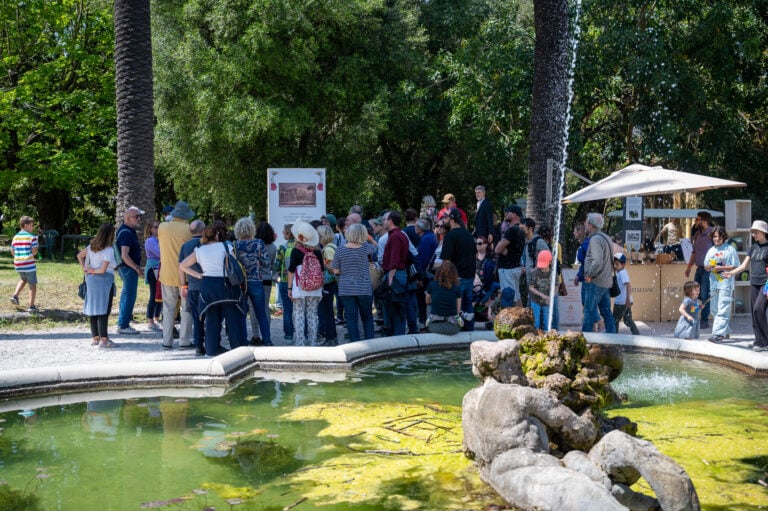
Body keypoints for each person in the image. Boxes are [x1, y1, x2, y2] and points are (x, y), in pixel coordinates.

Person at [179, 221, 246, 356]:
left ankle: (211, 349)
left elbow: (183, 266)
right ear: (216, 235)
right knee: (232, 317)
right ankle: (237, 349)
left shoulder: (200, 250)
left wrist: (199, 275)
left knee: (211, 318)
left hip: (208, 284)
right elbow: (235, 263)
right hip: (227, 284)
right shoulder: (226, 246)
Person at [723, 220, 768, 351]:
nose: (753, 234)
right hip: (753, 283)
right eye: (753, 232)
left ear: (764, 232)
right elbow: (743, 266)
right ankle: (758, 340)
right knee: (754, 314)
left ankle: (764, 342)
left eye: (756, 232)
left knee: (758, 309)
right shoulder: (753, 247)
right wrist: (731, 273)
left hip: (766, 284)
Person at [329, 223, 377, 341]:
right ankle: (371, 342)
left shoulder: (340, 250)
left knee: (351, 318)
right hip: (364, 287)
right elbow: (376, 247)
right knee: (367, 317)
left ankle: (354, 343)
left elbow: (336, 270)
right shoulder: (366, 248)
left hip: (346, 288)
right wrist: (370, 239)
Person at [158, 201, 194, 349]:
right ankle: (184, 340)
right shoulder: (188, 230)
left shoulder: (162, 227)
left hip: (166, 273)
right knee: (186, 308)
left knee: (168, 308)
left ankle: (167, 340)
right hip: (185, 274)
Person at [77, 223, 118, 348]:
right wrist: (92, 271)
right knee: (104, 310)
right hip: (104, 281)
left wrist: (85, 269)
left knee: (93, 308)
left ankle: (95, 337)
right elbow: (103, 269)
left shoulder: (91, 247)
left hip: (91, 281)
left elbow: (79, 255)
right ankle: (104, 339)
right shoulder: (109, 250)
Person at [234, 217, 272, 347]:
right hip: (256, 280)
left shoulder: (235, 244)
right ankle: (267, 340)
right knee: (261, 313)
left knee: (242, 314)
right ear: (251, 229)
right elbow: (266, 263)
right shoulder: (259, 243)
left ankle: (243, 341)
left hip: (241, 283)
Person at [287, 221, 324, 346]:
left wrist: (289, 288)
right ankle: (313, 342)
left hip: (299, 288)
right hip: (315, 288)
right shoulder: (318, 252)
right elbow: (322, 271)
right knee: (313, 315)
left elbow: (291, 271)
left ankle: (300, 344)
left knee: (298, 315)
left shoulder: (296, 252)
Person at [440, 208, 477, 330]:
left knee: (456, 305)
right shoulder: (468, 235)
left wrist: (443, 278)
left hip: (456, 276)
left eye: (446, 218)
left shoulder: (450, 236)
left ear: (451, 220)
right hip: (469, 275)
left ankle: (456, 329)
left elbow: (446, 260)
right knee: (468, 303)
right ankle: (469, 330)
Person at [702, 226, 740, 343]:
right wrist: (708, 267)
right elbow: (706, 266)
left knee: (723, 309)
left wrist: (721, 267)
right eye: (714, 236)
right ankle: (726, 331)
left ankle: (718, 335)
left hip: (725, 284)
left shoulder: (730, 250)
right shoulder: (711, 250)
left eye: (718, 236)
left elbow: (736, 266)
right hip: (714, 283)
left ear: (723, 236)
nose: (716, 238)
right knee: (714, 310)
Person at [581, 212, 616, 333]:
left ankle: (585, 340)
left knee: (588, 312)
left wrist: (589, 275)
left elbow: (597, 262)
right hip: (606, 281)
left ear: (590, 225)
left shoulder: (595, 239)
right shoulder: (607, 238)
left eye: (586, 222)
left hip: (595, 282)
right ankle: (613, 340)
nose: (584, 224)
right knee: (606, 312)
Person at [115, 206, 144, 335]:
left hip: (126, 268)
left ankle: (122, 322)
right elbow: (124, 255)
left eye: (139, 216)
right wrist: (136, 267)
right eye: (136, 216)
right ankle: (123, 325)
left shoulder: (127, 230)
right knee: (130, 295)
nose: (139, 219)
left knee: (126, 294)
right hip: (128, 268)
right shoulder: (126, 232)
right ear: (127, 218)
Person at [179, 220, 206, 355]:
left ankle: (198, 345)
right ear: (203, 230)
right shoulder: (206, 244)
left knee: (196, 317)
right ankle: (212, 342)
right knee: (210, 315)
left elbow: (181, 268)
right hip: (207, 285)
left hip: (193, 286)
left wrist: (183, 285)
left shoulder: (185, 246)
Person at [381, 210, 410, 335]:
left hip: (396, 274)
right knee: (395, 307)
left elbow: (395, 259)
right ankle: (397, 333)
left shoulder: (396, 236)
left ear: (391, 221)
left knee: (396, 307)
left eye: (385, 220)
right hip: (397, 273)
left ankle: (398, 335)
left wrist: (390, 279)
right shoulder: (398, 235)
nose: (384, 222)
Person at [685, 211, 714, 330]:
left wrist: (713, 267)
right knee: (694, 294)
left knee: (704, 294)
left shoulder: (713, 234)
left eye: (697, 219)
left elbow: (718, 251)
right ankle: (694, 317)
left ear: (704, 221)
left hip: (708, 271)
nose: (695, 222)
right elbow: (694, 252)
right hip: (699, 269)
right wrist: (688, 267)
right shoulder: (696, 235)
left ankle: (704, 320)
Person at [495, 205, 525, 307]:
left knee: (510, 297)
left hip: (507, 269)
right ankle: (523, 320)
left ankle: (515, 321)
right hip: (516, 267)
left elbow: (497, 249)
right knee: (517, 296)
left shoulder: (511, 231)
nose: (505, 214)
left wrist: (502, 248)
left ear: (515, 214)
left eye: (508, 212)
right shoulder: (521, 230)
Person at [254, 221, 278, 343]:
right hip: (267, 279)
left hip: (255, 278)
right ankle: (266, 334)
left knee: (253, 308)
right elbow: (274, 265)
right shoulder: (273, 247)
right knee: (265, 308)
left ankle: (255, 335)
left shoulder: (255, 245)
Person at [9, 216, 39, 312]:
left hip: (18, 263)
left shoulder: (15, 237)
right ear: (25, 225)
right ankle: (31, 306)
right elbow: (34, 252)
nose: (32, 227)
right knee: (32, 284)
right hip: (28, 264)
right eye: (31, 225)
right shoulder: (31, 237)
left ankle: (15, 296)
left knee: (23, 279)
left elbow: (12, 251)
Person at [425, 261, 463, 335]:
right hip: (453, 328)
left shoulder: (431, 285)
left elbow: (427, 301)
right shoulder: (457, 288)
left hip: (434, 327)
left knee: (429, 303)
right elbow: (457, 311)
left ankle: (430, 318)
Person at [317, 225, 338, 345]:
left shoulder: (328, 249)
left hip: (328, 284)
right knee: (328, 311)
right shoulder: (331, 247)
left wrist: (322, 265)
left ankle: (330, 338)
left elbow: (331, 267)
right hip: (330, 284)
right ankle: (332, 336)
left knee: (327, 311)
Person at [275, 224, 296, 342]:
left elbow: (277, 265)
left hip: (284, 280)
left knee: (287, 309)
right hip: (298, 281)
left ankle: (288, 335)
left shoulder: (282, 248)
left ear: (288, 233)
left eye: (284, 232)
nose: (282, 234)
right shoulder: (300, 246)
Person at [612, 253, 639, 335]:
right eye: (614, 264)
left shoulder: (622, 272)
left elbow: (628, 285)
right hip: (624, 301)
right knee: (627, 320)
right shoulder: (619, 272)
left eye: (617, 264)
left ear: (623, 264)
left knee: (615, 320)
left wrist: (627, 299)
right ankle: (636, 333)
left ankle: (614, 336)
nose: (615, 266)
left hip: (621, 302)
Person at [143, 220, 162, 331]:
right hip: (153, 268)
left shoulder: (159, 239)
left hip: (160, 268)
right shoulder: (150, 241)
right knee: (154, 294)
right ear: (150, 229)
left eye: (159, 227)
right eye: (155, 227)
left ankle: (156, 318)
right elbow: (159, 253)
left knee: (160, 294)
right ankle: (150, 320)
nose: (157, 229)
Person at [528, 250, 553, 330]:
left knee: (547, 322)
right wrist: (543, 296)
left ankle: (548, 337)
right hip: (535, 300)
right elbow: (531, 287)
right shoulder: (534, 272)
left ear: (550, 262)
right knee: (536, 321)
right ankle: (535, 337)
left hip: (547, 300)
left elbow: (556, 286)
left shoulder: (553, 273)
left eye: (544, 265)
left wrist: (551, 297)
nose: (542, 268)